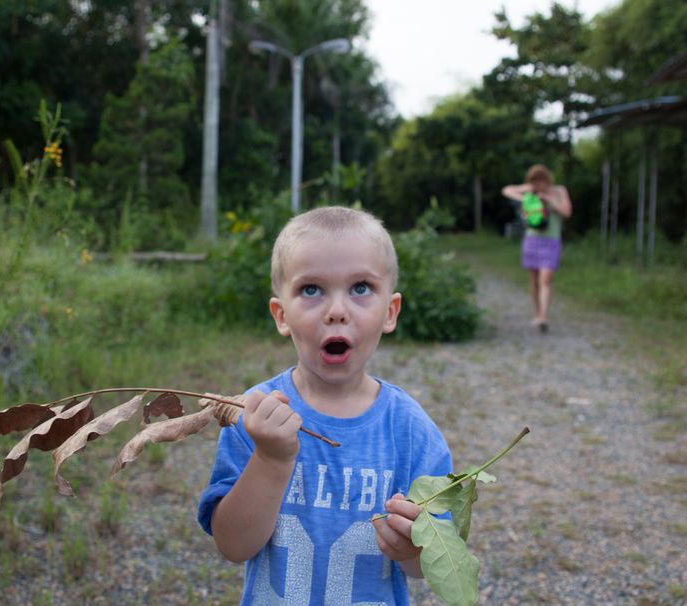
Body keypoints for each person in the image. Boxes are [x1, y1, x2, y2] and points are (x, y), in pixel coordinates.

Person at [198, 206, 452, 605]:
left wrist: (414, 547)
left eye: (361, 288)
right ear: (281, 315)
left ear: (390, 312)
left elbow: (429, 565)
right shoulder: (257, 415)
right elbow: (233, 545)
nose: (337, 310)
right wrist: (271, 458)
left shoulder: (410, 430)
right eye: (312, 289)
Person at [501, 164, 572, 332]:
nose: (540, 184)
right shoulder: (530, 192)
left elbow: (567, 212)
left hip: (551, 241)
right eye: (535, 181)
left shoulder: (559, 191)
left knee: (546, 278)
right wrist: (527, 196)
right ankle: (538, 312)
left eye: (542, 180)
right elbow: (507, 190)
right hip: (532, 240)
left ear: (548, 179)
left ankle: (544, 317)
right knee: (534, 279)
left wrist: (550, 201)